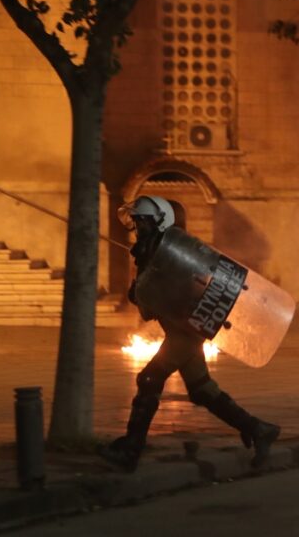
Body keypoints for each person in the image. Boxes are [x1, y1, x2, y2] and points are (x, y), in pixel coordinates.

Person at [99, 195, 280, 472]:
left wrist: (142, 287)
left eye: (143, 221)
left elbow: (169, 298)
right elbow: (149, 310)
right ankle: (258, 429)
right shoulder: (152, 252)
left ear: (160, 221)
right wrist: (141, 283)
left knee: (149, 378)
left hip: (185, 333)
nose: (138, 227)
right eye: (136, 222)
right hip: (182, 330)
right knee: (201, 390)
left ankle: (131, 450)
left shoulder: (174, 254)